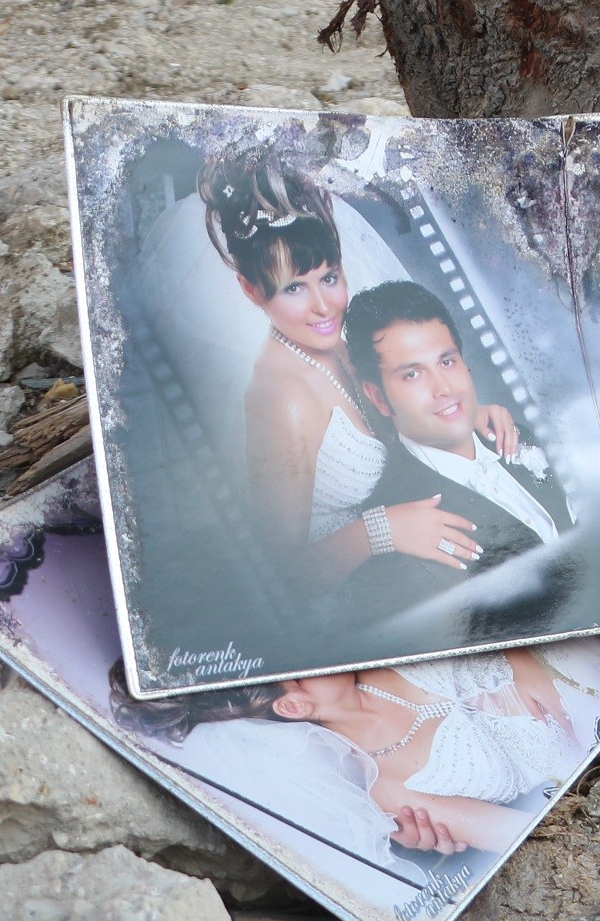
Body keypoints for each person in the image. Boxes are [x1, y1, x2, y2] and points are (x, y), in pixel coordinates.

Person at [198, 155, 507, 593]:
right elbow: (283, 577)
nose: (323, 307)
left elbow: (398, 415)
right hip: (350, 601)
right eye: (293, 288)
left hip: (412, 569)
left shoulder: (337, 345)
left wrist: (463, 415)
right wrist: (380, 530)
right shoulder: (282, 398)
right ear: (250, 289)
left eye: (329, 278)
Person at [108, 650, 577, 856]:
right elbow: (519, 832)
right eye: (298, 663)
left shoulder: (379, 651)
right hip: (583, 771)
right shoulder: (389, 791)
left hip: (586, 674)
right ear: (293, 705)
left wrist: (534, 671)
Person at [341, 281, 574, 614]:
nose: (444, 388)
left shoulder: (515, 435)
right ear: (378, 396)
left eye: (447, 362)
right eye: (412, 375)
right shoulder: (399, 541)